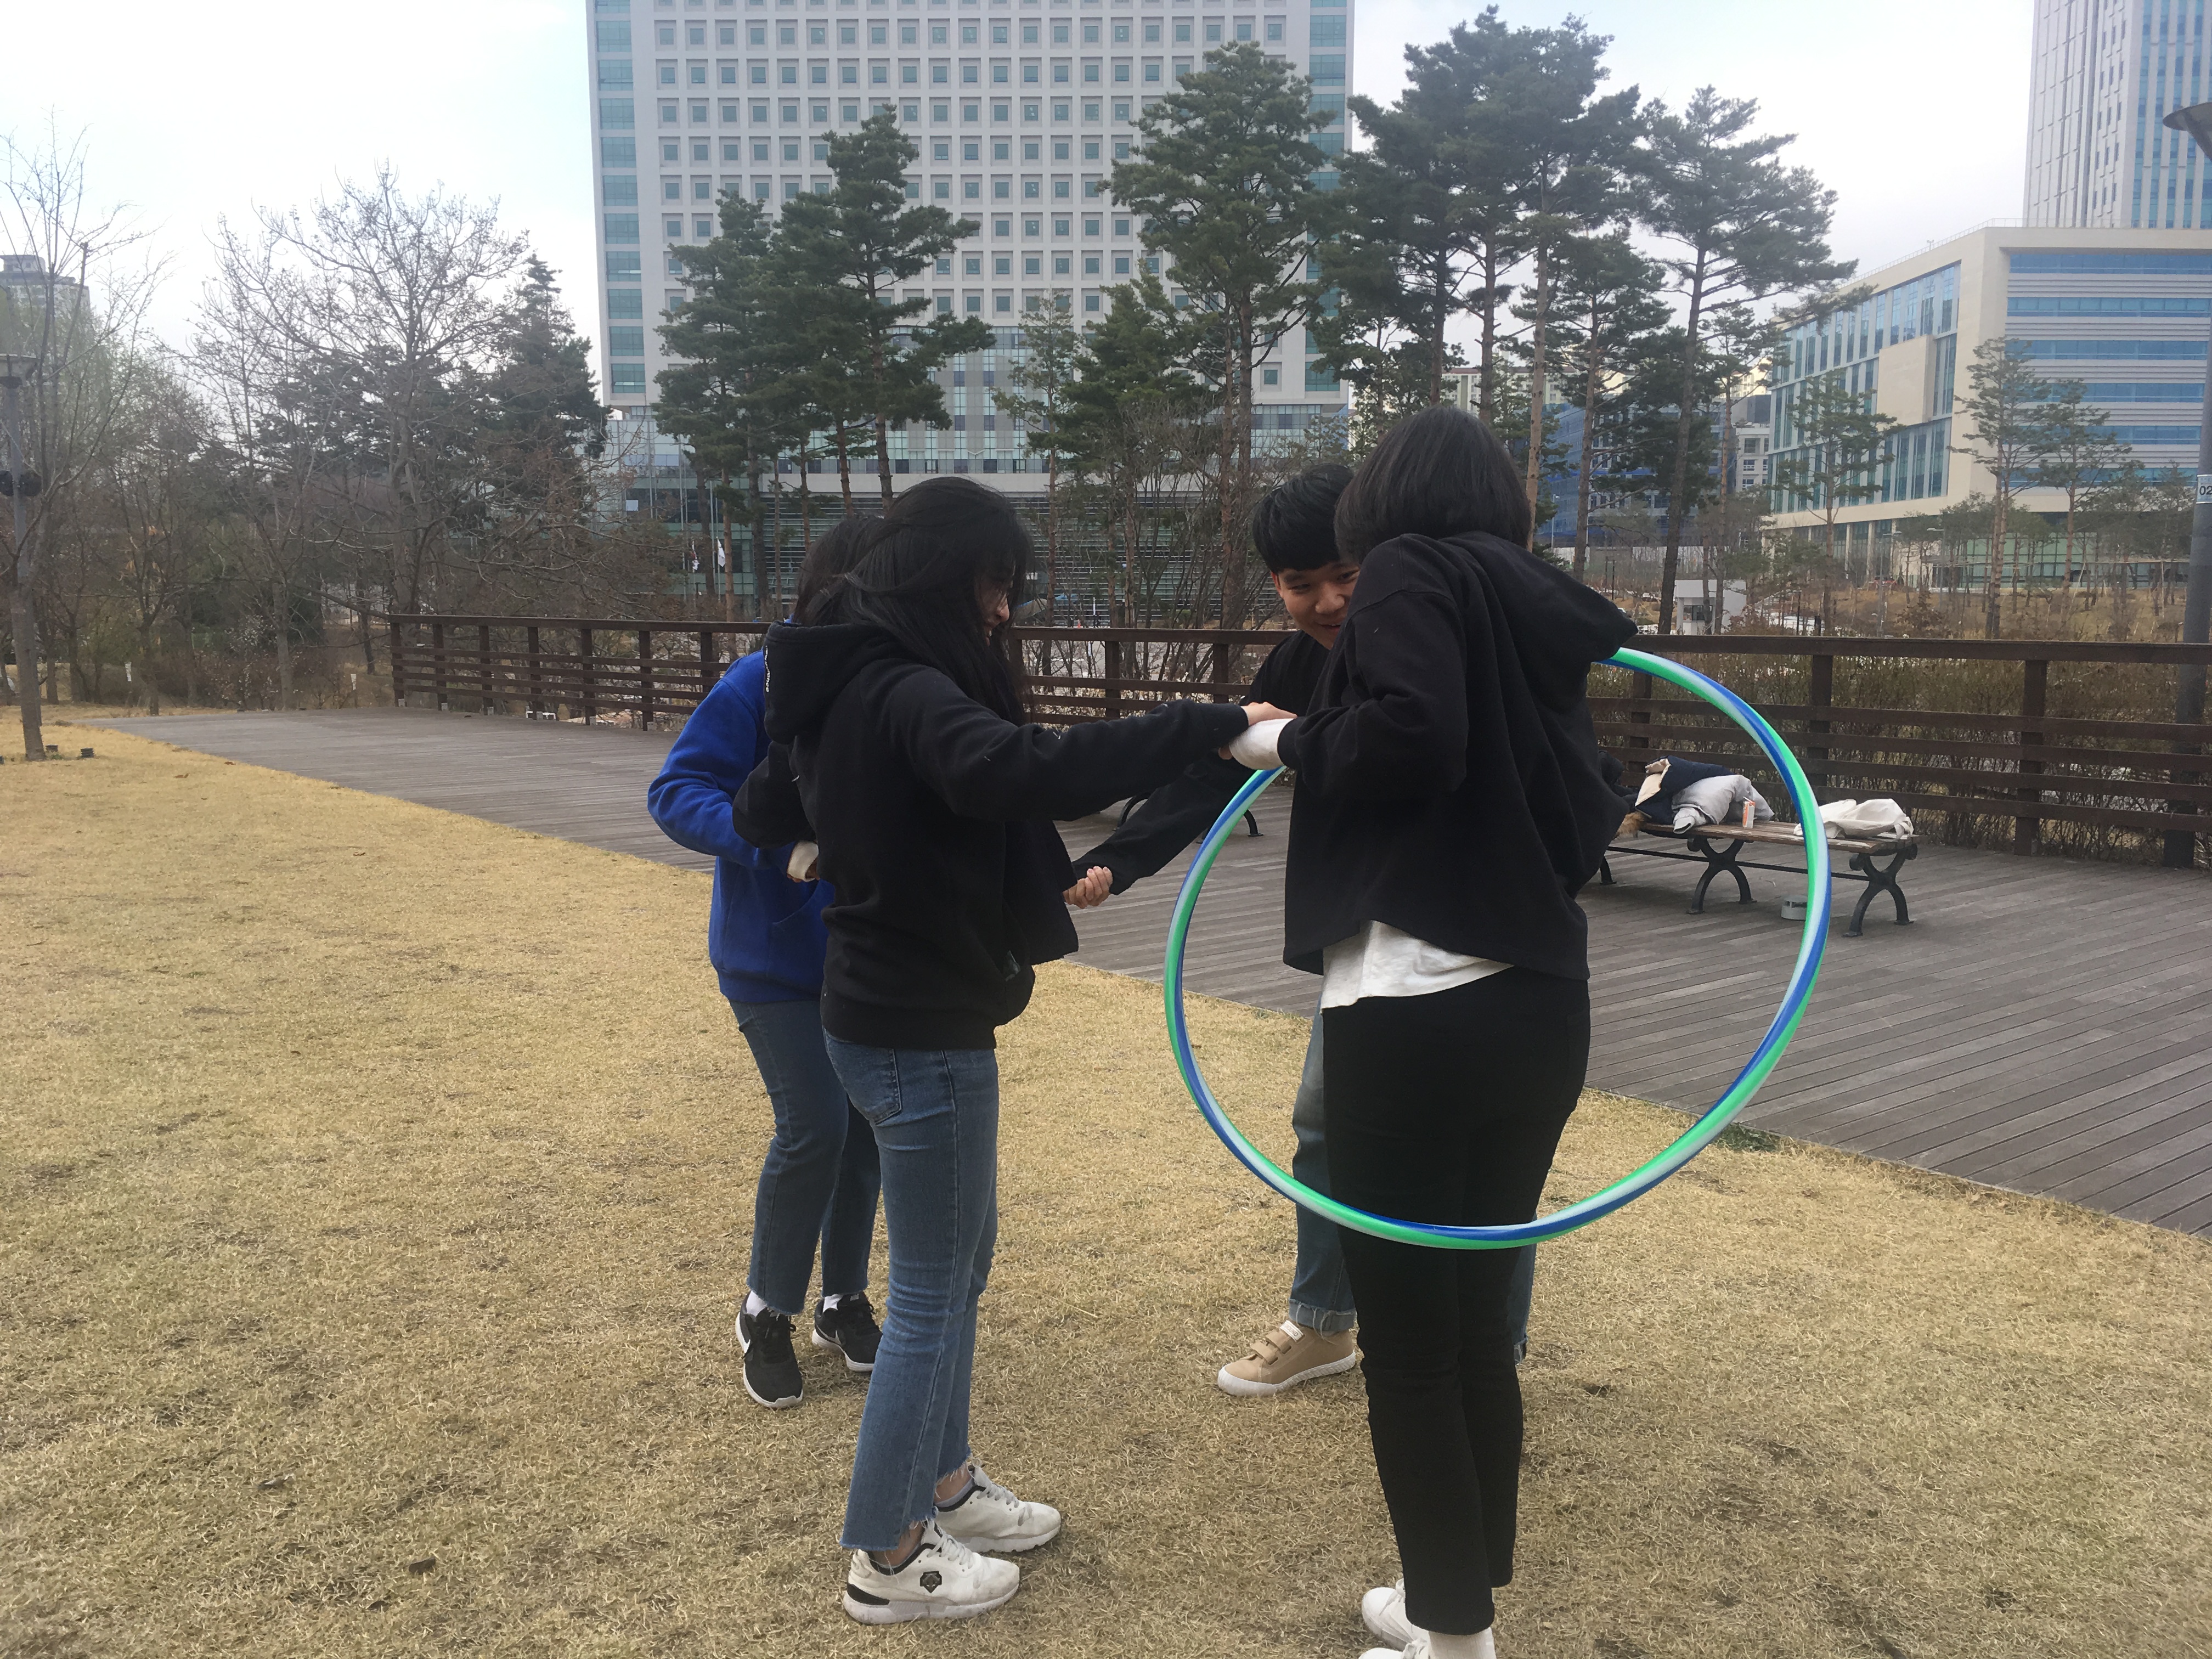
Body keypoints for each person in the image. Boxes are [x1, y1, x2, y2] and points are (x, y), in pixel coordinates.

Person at [730, 476, 1291, 1627]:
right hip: (915, 1030)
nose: (1002, 610)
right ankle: (890, 1556)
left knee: (958, 1270)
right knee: (933, 1295)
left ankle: (946, 1484)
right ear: (943, 576)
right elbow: (1024, 768)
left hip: (896, 1014)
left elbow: (776, 808)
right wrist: (1210, 722)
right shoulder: (897, 685)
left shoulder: (841, 678)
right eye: (994, 585)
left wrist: (845, 845)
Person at [1222, 408, 1634, 1659]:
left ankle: (1453, 1635)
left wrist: (1277, 739)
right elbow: (1584, 806)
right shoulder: (1525, 611)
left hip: (1414, 1011)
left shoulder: (1409, 568)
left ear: (1382, 508)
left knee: (1411, 1349)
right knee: (1471, 1329)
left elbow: (1411, 735)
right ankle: (1455, 1595)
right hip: (1539, 1004)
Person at [1069, 465, 1540, 1398]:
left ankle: (1492, 1352)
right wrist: (1119, 861)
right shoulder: (1297, 665)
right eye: (1299, 583)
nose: (1326, 602)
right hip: (1366, 936)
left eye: (1345, 575)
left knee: (1483, 1155)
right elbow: (1217, 772)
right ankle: (1324, 1321)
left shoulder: (1453, 642)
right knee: (1327, 1126)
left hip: (1482, 931)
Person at [647, 519, 886, 1412]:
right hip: (771, 958)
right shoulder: (760, 681)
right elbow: (676, 792)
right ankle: (766, 1310)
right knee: (815, 1125)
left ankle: (842, 1300)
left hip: (870, 955)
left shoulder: (898, 689)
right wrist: (778, 846)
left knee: (867, 1129)